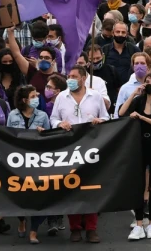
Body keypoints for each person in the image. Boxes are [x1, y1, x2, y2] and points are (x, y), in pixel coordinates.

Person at [48, 66, 108, 243]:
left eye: (74, 76)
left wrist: (100, 121)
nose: (70, 79)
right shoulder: (61, 97)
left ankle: (91, 228)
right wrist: (61, 124)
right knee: (71, 187)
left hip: (91, 149)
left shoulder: (95, 96)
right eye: (69, 76)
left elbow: (106, 117)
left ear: (83, 78)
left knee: (90, 188)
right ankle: (75, 228)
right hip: (69, 149)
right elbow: (53, 119)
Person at [119, 70, 151, 240]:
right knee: (139, 187)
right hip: (138, 147)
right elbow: (121, 113)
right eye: (147, 81)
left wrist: (141, 117)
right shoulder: (139, 100)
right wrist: (134, 93)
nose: (149, 84)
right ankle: (139, 224)